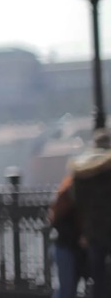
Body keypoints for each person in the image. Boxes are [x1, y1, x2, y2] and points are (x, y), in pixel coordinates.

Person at [72, 128, 111, 298]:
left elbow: (77, 202)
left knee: (97, 275)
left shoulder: (83, 173)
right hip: (104, 229)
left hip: (92, 231)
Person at [50, 171, 86, 298]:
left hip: (70, 246)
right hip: (67, 246)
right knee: (67, 290)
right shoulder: (69, 193)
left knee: (67, 289)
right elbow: (56, 219)